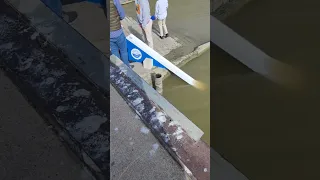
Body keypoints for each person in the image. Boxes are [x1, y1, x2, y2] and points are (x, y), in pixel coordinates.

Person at [110, 0, 130, 66]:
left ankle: (119, 69)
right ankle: (127, 69)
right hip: (118, 31)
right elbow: (122, 15)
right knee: (123, 51)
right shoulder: (114, 1)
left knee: (115, 53)